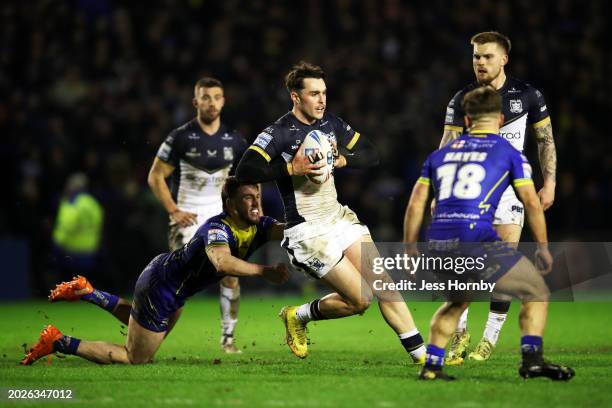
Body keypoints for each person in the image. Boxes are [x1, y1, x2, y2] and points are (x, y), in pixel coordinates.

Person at [235, 61, 426, 363]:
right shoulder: (280, 132)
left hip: (339, 219)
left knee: (384, 284)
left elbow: (372, 153)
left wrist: (343, 161)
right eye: (314, 93)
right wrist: (289, 167)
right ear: (295, 97)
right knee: (360, 300)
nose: (322, 100)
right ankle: (298, 315)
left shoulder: (331, 124)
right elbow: (245, 169)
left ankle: (424, 357)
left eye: (324, 92)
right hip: (307, 231)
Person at [21, 178, 288, 365]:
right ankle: (58, 341)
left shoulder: (260, 224)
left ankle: (88, 292)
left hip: (173, 289)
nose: (255, 203)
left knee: (145, 328)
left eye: (258, 196)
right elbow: (223, 263)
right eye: (247, 198)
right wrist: (264, 271)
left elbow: (289, 230)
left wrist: (318, 226)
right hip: (162, 287)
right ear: (230, 204)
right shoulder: (218, 228)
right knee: (136, 357)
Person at [404, 86, 573, 381]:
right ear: (501, 119)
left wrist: (410, 246)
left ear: (467, 121)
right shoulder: (509, 154)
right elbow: (531, 203)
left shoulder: (440, 154)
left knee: (457, 302)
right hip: (476, 240)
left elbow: (416, 202)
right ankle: (532, 360)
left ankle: (431, 366)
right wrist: (543, 247)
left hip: (439, 243)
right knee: (537, 292)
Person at [438, 31, 558, 364]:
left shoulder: (528, 95)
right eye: (476, 56)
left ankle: (488, 339)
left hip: (510, 189)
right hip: (469, 191)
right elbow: (446, 145)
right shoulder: (463, 97)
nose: (480, 62)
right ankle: (459, 336)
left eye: (487, 56)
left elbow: (545, 141)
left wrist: (549, 183)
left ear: (503, 59)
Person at [148, 77, 249, 353]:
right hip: (187, 219)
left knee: (230, 273)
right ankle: (148, 335)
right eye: (206, 97)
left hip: (219, 221)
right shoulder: (180, 137)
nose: (212, 102)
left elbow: (247, 179)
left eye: (217, 97)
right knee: (179, 285)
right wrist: (173, 210)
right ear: (196, 102)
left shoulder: (234, 140)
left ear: (224, 101)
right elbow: (155, 176)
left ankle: (228, 340)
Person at [51, 173, 104, 282]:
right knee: (86, 286)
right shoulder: (93, 203)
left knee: (69, 286)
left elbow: (67, 224)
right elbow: (99, 222)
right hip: (90, 250)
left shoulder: (72, 202)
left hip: (72, 251)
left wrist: (56, 243)